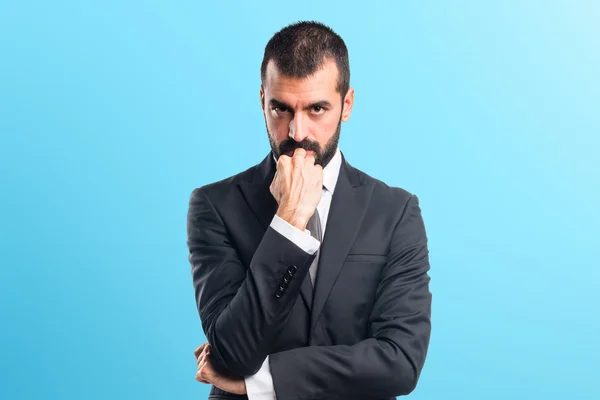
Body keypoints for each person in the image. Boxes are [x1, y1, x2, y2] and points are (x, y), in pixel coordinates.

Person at [187, 21, 432, 400]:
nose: (297, 131)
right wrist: (288, 222)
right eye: (280, 109)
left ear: (346, 105)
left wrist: (261, 383)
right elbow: (232, 355)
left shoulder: (395, 211)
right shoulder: (215, 206)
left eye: (317, 108)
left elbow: (401, 362)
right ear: (262, 100)